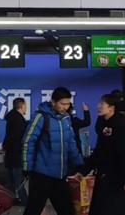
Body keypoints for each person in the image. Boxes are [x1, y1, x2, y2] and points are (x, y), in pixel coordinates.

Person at [22, 87, 85, 215]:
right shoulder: (40, 117)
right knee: (33, 210)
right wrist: (27, 166)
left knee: (67, 211)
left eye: (68, 104)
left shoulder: (66, 118)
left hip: (60, 174)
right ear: (53, 102)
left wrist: (80, 164)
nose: (65, 107)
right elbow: (28, 142)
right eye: (62, 103)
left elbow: (71, 143)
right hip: (42, 174)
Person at [82, 93, 125, 215]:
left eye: (102, 104)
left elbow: (124, 154)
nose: (98, 107)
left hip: (116, 177)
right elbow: (99, 151)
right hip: (104, 174)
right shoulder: (104, 124)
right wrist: (83, 170)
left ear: (112, 108)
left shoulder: (119, 126)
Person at [3, 97, 29, 204]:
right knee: (19, 179)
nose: (26, 107)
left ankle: (10, 199)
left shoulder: (11, 118)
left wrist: (5, 146)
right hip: (17, 153)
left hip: (10, 153)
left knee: (11, 180)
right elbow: (17, 138)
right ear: (21, 106)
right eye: (25, 105)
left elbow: (9, 137)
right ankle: (24, 200)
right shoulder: (19, 120)